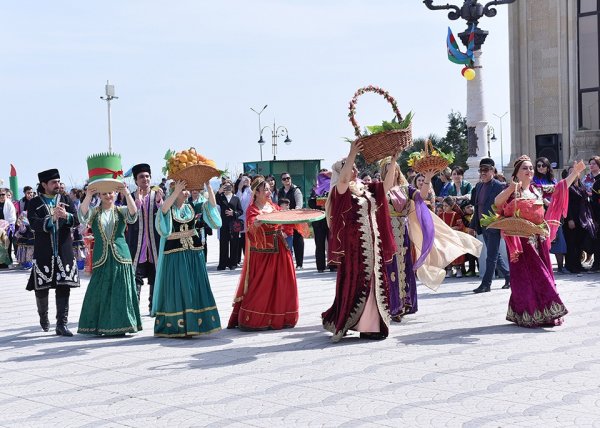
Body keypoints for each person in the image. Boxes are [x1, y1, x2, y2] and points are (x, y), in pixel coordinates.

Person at [380, 160, 482, 321]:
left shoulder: (406, 189)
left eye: (394, 169)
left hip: (403, 233)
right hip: (385, 234)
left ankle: (401, 305)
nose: (392, 172)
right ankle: (388, 305)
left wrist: (427, 178)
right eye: (388, 170)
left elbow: (422, 195)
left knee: (404, 267)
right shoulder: (379, 189)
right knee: (388, 269)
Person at [494, 156, 586, 327]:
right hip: (521, 242)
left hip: (539, 240)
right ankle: (529, 312)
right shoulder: (512, 190)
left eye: (530, 168)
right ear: (517, 173)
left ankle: (544, 313)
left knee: (541, 274)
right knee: (527, 278)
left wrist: (575, 172)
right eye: (525, 168)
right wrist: (511, 188)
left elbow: (560, 187)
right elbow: (497, 203)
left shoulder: (538, 190)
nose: (529, 171)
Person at [321, 141, 398, 341]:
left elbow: (387, 186)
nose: (354, 168)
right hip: (354, 247)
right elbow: (345, 178)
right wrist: (352, 152)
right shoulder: (341, 189)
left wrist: (394, 161)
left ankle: (370, 324)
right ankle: (357, 322)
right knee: (359, 281)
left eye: (355, 165)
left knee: (374, 281)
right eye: (349, 165)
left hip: (374, 243)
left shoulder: (366, 188)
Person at [228, 175, 299, 331]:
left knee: (282, 283)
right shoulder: (252, 209)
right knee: (262, 286)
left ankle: (282, 317)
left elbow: (285, 221)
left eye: (269, 189)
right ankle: (255, 319)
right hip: (261, 253)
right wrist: (257, 223)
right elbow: (251, 226)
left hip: (279, 250)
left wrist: (288, 225)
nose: (268, 192)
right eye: (265, 189)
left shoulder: (274, 207)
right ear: (256, 192)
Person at [152, 180, 222, 337]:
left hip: (194, 253)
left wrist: (209, 186)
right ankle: (178, 324)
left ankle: (196, 322)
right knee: (179, 285)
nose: (187, 191)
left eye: (187, 189)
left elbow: (211, 205)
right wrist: (176, 190)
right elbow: (162, 210)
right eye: (183, 189)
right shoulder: (169, 209)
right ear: (174, 191)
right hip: (175, 254)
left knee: (193, 285)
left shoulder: (192, 206)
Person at [77, 183, 142, 336]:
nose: (108, 196)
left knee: (122, 290)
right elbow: (82, 214)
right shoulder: (94, 212)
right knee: (100, 290)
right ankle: (100, 325)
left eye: (110, 193)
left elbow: (134, 214)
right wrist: (88, 195)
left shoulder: (121, 210)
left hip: (121, 255)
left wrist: (126, 193)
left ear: (115, 193)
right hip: (102, 256)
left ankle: (123, 325)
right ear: (99, 195)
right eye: (104, 194)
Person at [26, 169, 80, 336]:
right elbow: (33, 223)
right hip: (44, 251)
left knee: (64, 286)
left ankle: (61, 324)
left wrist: (67, 216)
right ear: (44, 185)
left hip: (64, 250)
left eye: (58, 181)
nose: (58, 185)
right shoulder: (34, 202)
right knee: (41, 288)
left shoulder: (65, 199)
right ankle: (43, 317)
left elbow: (77, 220)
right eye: (53, 182)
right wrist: (52, 219)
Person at [126, 163, 164, 312]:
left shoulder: (158, 195)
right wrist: (137, 201)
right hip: (137, 245)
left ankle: (153, 307)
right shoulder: (129, 197)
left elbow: (165, 215)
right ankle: (134, 309)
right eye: (141, 177)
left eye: (147, 176)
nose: (145, 179)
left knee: (156, 276)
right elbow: (129, 218)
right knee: (136, 277)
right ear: (136, 180)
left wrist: (160, 202)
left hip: (155, 244)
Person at [469, 158, 510, 293]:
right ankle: (509, 277)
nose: (483, 173)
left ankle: (486, 284)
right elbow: (477, 206)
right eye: (481, 170)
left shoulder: (500, 186)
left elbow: (505, 206)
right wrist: (473, 225)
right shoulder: (479, 186)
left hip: (494, 225)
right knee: (495, 254)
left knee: (491, 256)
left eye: (486, 170)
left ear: (492, 170)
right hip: (482, 224)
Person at [533, 157, 566, 273]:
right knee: (542, 240)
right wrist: (544, 201)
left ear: (548, 167)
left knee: (558, 237)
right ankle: (543, 267)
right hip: (540, 213)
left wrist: (554, 203)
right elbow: (533, 194)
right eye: (538, 166)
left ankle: (561, 267)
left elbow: (558, 194)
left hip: (554, 212)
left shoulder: (553, 181)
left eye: (543, 165)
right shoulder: (534, 180)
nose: (541, 168)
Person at [562, 167, 595, 274]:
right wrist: (569, 219)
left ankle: (578, 264)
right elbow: (566, 205)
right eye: (571, 171)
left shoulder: (581, 186)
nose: (575, 173)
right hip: (572, 218)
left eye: (576, 171)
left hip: (582, 219)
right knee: (571, 243)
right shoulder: (567, 187)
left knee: (579, 243)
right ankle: (571, 266)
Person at [307, 169, 334, 273]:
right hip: (318, 220)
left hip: (330, 218)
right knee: (319, 243)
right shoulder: (315, 189)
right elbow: (311, 202)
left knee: (332, 242)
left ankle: (333, 265)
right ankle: (320, 266)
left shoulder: (332, 187)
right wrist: (320, 204)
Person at [277, 172, 304, 269]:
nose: (286, 180)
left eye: (288, 178)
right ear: (281, 181)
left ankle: (299, 264)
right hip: (284, 220)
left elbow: (299, 204)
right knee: (285, 241)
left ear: (290, 178)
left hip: (294, 219)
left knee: (297, 239)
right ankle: (287, 262)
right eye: (284, 179)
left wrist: (293, 212)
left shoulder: (296, 190)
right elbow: (278, 204)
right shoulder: (280, 191)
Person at [216, 180, 243, 270]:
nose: (227, 188)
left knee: (234, 243)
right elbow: (214, 201)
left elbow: (240, 211)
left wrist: (233, 213)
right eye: (225, 186)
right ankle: (223, 263)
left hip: (234, 223)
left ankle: (233, 263)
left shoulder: (236, 198)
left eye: (229, 186)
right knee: (223, 243)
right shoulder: (220, 197)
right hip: (223, 223)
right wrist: (219, 192)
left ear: (232, 188)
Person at [439, 196, 466, 278]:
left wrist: (450, 229)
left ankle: (458, 270)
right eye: (443, 206)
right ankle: (449, 270)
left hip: (453, 237)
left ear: (451, 206)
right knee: (446, 254)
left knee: (455, 254)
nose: (444, 207)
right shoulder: (440, 215)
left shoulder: (456, 215)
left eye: (446, 206)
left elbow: (460, 226)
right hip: (444, 238)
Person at [588, 156, 600, 272]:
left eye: (594, 164)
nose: (591, 166)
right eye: (590, 164)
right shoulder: (588, 179)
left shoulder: (598, 182)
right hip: (594, 214)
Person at [0, 189, 16, 268]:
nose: (1, 196)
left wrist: (6, 226)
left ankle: (7, 262)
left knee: (7, 245)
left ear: (6, 195)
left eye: (3, 194)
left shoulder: (9, 204)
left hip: (8, 227)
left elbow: (12, 217)